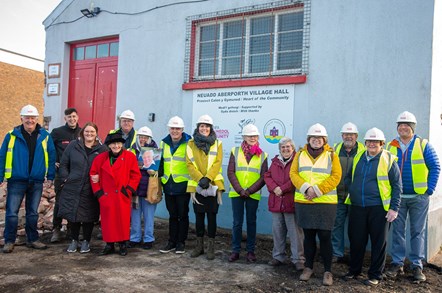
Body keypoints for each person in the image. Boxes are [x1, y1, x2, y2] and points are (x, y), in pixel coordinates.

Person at [385, 111, 440, 282]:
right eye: (400, 125)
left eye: (407, 125)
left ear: (413, 127)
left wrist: (428, 190)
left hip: (418, 197)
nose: (403, 128)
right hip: (398, 198)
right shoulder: (390, 146)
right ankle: (397, 263)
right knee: (398, 232)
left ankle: (417, 265)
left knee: (417, 231)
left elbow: (435, 167)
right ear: (397, 127)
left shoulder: (423, 145)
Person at [343, 127, 402, 286]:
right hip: (357, 206)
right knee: (356, 241)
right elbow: (349, 177)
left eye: (376, 142)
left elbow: (397, 185)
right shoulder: (359, 156)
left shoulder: (389, 159)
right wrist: (353, 191)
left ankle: (375, 275)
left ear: (382, 143)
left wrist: (394, 208)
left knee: (378, 243)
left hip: (379, 208)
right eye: (369, 141)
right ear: (365, 142)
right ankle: (354, 271)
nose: (372, 144)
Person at [289, 123, 341, 286]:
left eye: (319, 138)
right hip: (305, 201)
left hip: (325, 202)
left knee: (325, 237)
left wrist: (316, 191)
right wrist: (306, 188)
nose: (316, 140)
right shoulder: (300, 154)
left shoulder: (332, 155)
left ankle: (327, 271)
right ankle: (308, 268)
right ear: (308, 139)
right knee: (308, 237)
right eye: (313, 137)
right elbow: (293, 173)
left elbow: (336, 176)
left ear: (324, 140)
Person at [0, 105, 56, 253]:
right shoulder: (11, 135)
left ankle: (33, 239)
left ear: (37, 119)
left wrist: (50, 176)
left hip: (36, 180)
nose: (30, 120)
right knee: (12, 212)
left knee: (33, 212)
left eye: (32, 118)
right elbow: (2, 156)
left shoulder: (44, 136)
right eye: (27, 117)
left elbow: (51, 157)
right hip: (16, 180)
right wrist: (1, 177)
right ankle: (9, 241)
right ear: (21, 118)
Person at [57, 122, 107, 253]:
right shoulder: (73, 146)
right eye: (87, 131)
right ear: (82, 133)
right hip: (73, 186)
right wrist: (65, 178)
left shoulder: (102, 150)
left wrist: (100, 180)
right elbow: (63, 164)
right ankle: (74, 240)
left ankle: (86, 241)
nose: (89, 134)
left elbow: (107, 168)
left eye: (92, 132)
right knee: (73, 215)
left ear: (96, 134)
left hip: (91, 188)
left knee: (88, 216)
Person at [90, 132, 141, 256]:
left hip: (121, 195)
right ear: (109, 145)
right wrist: (99, 193)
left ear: (122, 144)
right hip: (106, 196)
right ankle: (109, 244)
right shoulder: (100, 158)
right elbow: (93, 175)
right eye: (113, 144)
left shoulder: (129, 157)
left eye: (118, 143)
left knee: (122, 221)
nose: (116, 146)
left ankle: (123, 244)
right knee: (108, 222)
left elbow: (135, 175)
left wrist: (128, 190)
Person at [228, 124, 268, 263]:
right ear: (244, 137)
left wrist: (250, 191)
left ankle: (250, 251)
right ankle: (235, 250)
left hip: (253, 194)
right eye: (250, 136)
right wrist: (240, 190)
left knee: (251, 222)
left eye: (255, 136)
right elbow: (231, 172)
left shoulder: (263, 155)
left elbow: (264, 177)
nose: (253, 138)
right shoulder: (235, 151)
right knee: (237, 223)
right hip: (237, 193)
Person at [186, 115, 224, 260]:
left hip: (213, 185)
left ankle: (211, 247)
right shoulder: (190, 143)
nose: (204, 128)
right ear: (198, 127)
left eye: (207, 126)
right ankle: (199, 246)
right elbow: (189, 163)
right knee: (199, 216)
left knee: (212, 216)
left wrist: (208, 178)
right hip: (197, 186)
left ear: (211, 128)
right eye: (202, 126)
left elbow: (218, 162)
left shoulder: (218, 143)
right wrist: (199, 179)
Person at [264, 137, 305, 270]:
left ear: (293, 148)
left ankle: (298, 259)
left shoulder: (298, 161)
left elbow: (297, 179)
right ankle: (278, 256)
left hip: (291, 203)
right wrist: (274, 188)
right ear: (280, 149)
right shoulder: (275, 161)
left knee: (295, 234)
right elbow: (267, 176)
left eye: (288, 147)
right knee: (278, 232)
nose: (285, 149)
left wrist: (282, 188)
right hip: (276, 202)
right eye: (283, 147)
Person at [331, 122, 365, 262]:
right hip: (338, 195)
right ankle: (336, 253)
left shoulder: (363, 151)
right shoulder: (335, 149)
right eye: (346, 134)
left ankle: (355, 255)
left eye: (351, 134)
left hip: (355, 197)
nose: (348, 137)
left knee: (356, 228)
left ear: (356, 136)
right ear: (342, 135)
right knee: (336, 225)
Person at [159, 116, 192, 254]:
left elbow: (192, 165)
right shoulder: (163, 143)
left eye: (177, 128)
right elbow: (160, 163)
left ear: (182, 129)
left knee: (182, 215)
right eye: (172, 128)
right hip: (168, 184)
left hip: (183, 185)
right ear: (169, 129)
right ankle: (171, 241)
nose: (175, 131)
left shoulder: (189, 143)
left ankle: (181, 242)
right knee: (172, 215)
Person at [50, 107, 81, 243]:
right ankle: (56, 229)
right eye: (69, 117)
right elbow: (49, 149)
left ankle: (71, 229)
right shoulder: (57, 132)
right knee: (60, 201)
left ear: (77, 117)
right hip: (62, 174)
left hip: (78, 174)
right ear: (65, 119)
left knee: (76, 202)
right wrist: (55, 160)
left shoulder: (83, 132)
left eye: (74, 116)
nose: (72, 119)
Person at [129, 126, 158, 249]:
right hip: (135, 188)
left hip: (149, 188)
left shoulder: (156, 152)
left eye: (145, 137)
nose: (142, 139)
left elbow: (160, 169)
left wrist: (154, 171)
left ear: (150, 138)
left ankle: (148, 239)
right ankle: (134, 238)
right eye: (140, 137)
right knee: (135, 214)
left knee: (149, 215)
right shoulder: (131, 151)